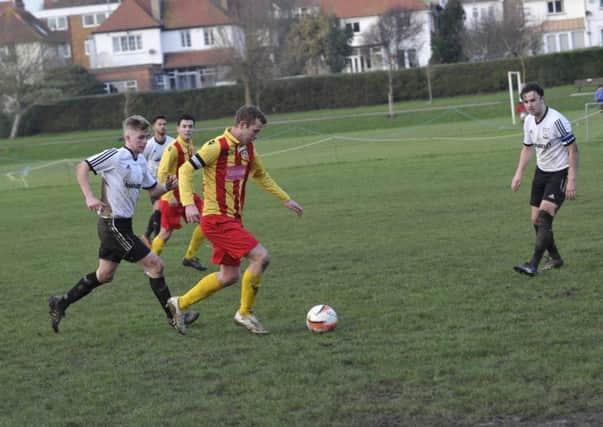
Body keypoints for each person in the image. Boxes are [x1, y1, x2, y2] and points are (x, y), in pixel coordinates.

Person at [48, 115, 199, 333]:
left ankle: (60, 302)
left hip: (123, 226)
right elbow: (82, 167)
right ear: (127, 137)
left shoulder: (140, 162)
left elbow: (153, 188)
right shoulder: (115, 156)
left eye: (146, 137)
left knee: (104, 275)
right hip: (113, 226)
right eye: (140, 137)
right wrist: (89, 197)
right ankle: (174, 316)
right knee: (155, 265)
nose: (144, 141)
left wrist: (167, 186)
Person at [166, 105, 304, 335]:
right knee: (261, 257)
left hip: (232, 220)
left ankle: (179, 303)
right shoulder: (217, 146)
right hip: (216, 219)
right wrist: (189, 203)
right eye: (255, 131)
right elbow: (185, 170)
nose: (256, 136)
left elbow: (260, 175)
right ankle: (245, 313)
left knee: (229, 276)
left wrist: (285, 199)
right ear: (242, 125)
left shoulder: (248, 148)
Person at [511, 82, 579, 276]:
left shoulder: (557, 120)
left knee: (544, 214)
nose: (530, 105)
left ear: (542, 98)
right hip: (541, 172)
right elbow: (527, 148)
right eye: (526, 102)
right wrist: (519, 173)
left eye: (533, 100)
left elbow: (573, 150)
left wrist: (572, 179)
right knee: (536, 220)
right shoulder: (528, 122)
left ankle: (533, 264)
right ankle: (556, 258)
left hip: (560, 172)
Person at [151, 114, 208, 271]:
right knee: (165, 233)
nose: (187, 129)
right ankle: (150, 262)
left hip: (188, 194)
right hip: (172, 196)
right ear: (178, 128)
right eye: (184, 126)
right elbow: (161, 173)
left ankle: (190, 257)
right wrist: (168, 195)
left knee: (208, 221)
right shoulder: (173, 148)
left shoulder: (190, 145)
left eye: (190, 126)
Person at [141, 115, 175, 247]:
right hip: (153, 183)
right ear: (154, 126)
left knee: (161, 210)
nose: (163, 126)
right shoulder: (148, 145)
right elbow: (141, 162)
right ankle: (156, 241)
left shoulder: (172, 143)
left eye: (164, 124)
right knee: (158, 208)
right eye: (160, 124)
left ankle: (146, 235)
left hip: (169, 184)